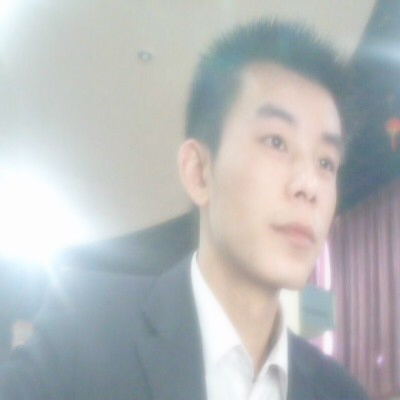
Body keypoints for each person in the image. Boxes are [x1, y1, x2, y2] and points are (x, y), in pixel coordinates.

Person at [0, 19, 368, 400]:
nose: (309, 185)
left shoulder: (342, 393)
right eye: (276, 141)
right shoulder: (85, 330)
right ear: (198, 172)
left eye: (326, 162)